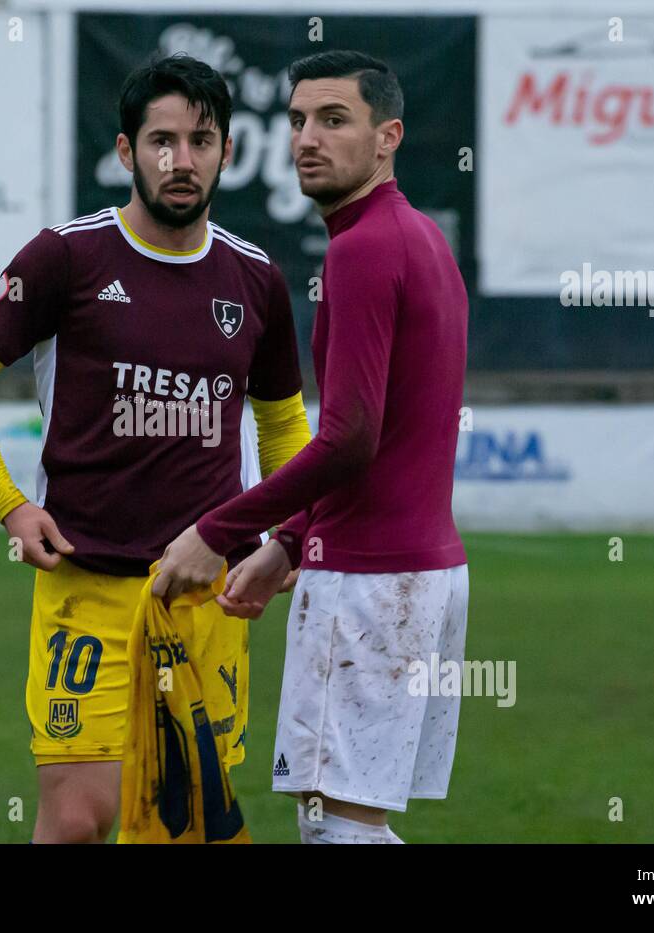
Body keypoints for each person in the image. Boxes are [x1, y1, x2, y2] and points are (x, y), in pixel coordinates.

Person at [0, 54, 310, 843]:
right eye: (161, 140)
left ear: (229, 152)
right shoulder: (68, 257)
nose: (182, 159)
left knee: (182, 825)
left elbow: (282, 425)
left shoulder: (257, 279)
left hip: (207, 597)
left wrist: (287, 540)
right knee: (77, 819)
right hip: (86, 588)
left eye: (202, 140)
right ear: (126, 151)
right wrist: (10, 503)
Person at [154, 50, 470, 845]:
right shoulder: (419, 237)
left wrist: (216, 532)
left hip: (374, 582)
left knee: (337, 829)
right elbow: (383, 432)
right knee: (348, 824)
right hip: (418, 573)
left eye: (334, 120)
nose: (306, 139)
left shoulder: (362, 248)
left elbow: (348, 438)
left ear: (387, 136)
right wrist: (291, 542)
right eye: (296, 121)